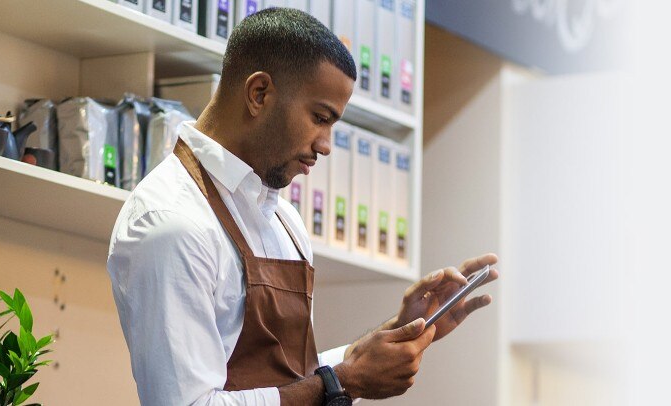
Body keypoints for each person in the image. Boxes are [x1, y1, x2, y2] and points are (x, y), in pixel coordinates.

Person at [106, 8, 499, 405]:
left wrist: (403, 330)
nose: (325, 145)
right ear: (259, 93)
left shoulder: (285, 221)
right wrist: (346, 381)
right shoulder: (172, 221)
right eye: (319, 118)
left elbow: (298, 380)